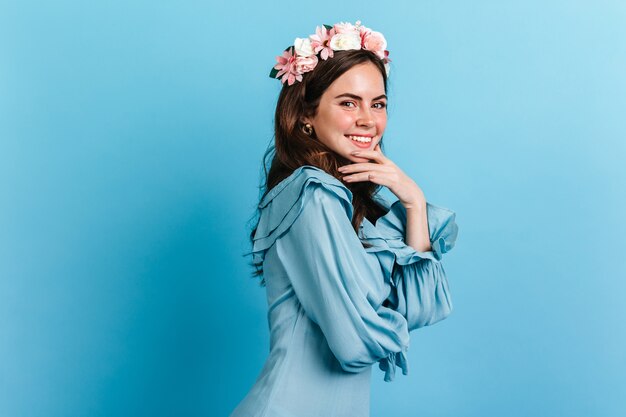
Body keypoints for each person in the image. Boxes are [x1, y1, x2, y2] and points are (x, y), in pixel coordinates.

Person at [230, 21, 459, 417]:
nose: (368, 119)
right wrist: (386, 321)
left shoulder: (349, 206)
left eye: (378, 103)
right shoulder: (312, 193)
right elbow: (355, 343)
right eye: (348, 102)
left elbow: (420, 308)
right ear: (306, 115)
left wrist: (415, 203)